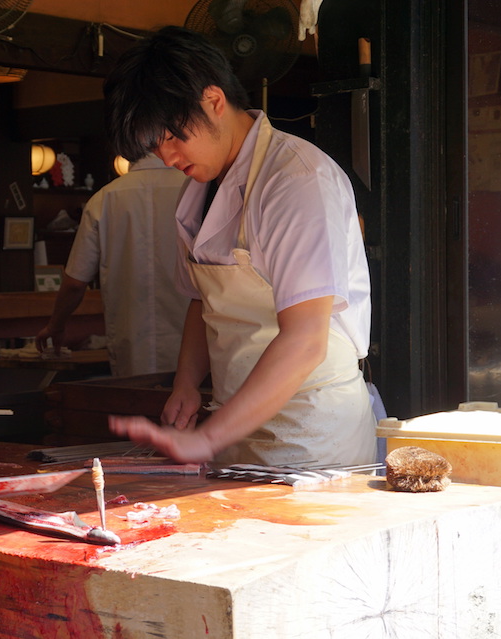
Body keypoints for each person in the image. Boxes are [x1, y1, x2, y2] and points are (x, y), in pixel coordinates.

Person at [104, 26, 376, 467]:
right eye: (157, 146)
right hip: (233, 423)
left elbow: (306, 340)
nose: (168, 158)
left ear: (213, 101)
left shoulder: (296, 179)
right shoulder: (199, 189)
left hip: (310, 432)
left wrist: (208, 438)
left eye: (172, 137)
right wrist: (187, 383)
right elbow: (203, 299)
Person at [35, 154, 190, 377]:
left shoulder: (104, 198)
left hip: (133, 349)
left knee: (135, 405)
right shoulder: (195, 190)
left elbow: (75, 283)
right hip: (193, 347)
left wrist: (55, 325)